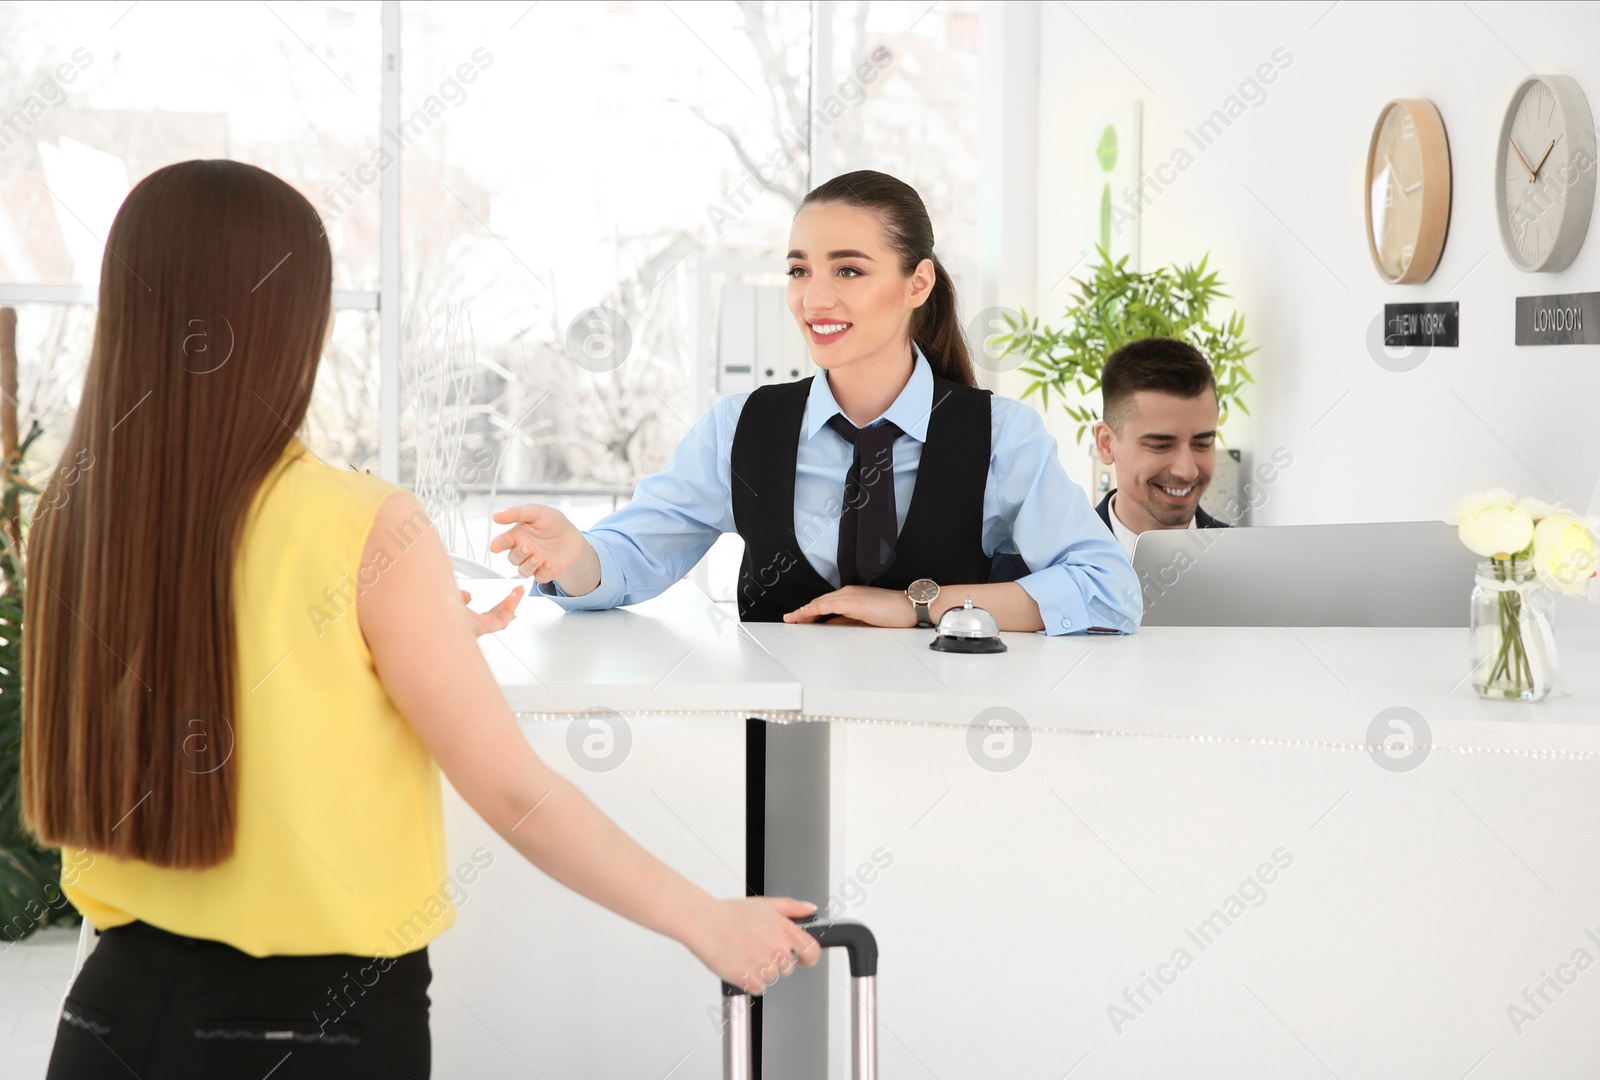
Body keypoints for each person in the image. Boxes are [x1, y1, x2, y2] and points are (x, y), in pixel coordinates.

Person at [21, 160, 819, 1080]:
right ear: (298, 323)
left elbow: (210, 651)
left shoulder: (75, 512)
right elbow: (514, 791)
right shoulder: (365, 522)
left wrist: (403, 640)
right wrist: (706, 919)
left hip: (109, 1018)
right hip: (317, 1030)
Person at [492, 170, 1139, 637]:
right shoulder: (739, 428)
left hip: (939, 745)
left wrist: (923, 604)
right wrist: (575, 558)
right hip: (777, 753)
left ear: (918, 282)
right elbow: (633, 558)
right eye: (800, 270)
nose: (814, 298)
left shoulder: (999, 434)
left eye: (848, 270)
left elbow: (1109, 590)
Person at [1090, 337, 1231, 560]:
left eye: (1202, 444)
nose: (1187, 471)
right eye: (1161, 446)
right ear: (1106, 444)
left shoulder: (1252, 564)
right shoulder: (1038, 568)